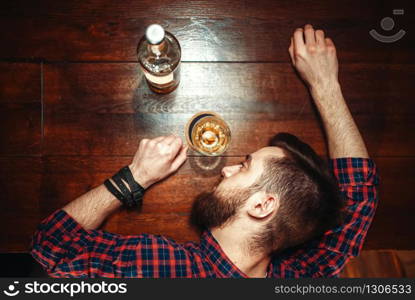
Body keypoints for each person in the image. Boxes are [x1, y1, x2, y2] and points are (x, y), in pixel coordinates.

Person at [30, 24, 379, 278]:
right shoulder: (304, 272)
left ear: (262, 205)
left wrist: (134, 177)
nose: (226, 169)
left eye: (244, 167)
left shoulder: (159, 268)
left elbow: (51, 250)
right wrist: (324, 84)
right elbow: (356, 195)